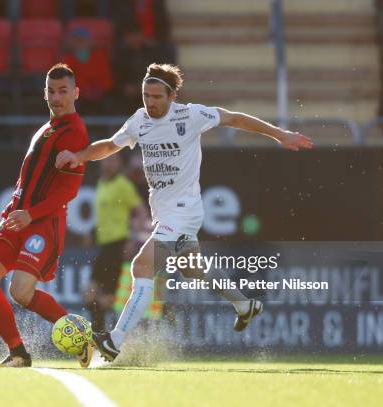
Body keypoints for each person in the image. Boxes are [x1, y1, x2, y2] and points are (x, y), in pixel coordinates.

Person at [56, 63, 314, 362]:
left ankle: (114, 340)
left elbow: (234, 118)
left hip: (185, 211)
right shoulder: (139, 120)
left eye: (156, 97)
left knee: (141, 266)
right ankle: (244, 305)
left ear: (172, 96)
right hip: (164, 214)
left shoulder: (190, 115)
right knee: (193, 268)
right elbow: (111, 146)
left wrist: (279, 134)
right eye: (145, 96)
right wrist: (79, 156)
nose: (150, 102)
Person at [0, 64, 91, 368]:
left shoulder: (75, 132)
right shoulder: (46, 128)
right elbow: (28, 179)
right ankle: (18, 353)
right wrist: (16, 208)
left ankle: (80, 336)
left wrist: (31, 214)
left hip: (42, 224)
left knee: (20, 292)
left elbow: (68, 191)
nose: (56, 97)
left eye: (63, 91)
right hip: (16, 217)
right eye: (51, 91)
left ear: (75, 93)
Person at [83, 154, 147, 331]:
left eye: (113, 160)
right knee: (90, 294)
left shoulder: (123, 184)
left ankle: (106, 336)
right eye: (107, 159)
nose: (109, 163)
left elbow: (141, 212)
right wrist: (92, 231)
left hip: (117, 245)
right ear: (102, 161)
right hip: (103, 246)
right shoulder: (102, 183)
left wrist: (133, 238)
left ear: (119, 163)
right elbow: (106, 214)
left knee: (105, 297)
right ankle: (103, 334)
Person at [63, 27, 114, 115]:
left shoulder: (100, 58)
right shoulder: (67, 60)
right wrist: (83, 90)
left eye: (83, 40)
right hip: (78, 96)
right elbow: (67, 80)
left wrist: (100, 89)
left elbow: (107, 78)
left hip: (99, 95)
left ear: (89, 41)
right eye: (77, 40)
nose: (80, 43)